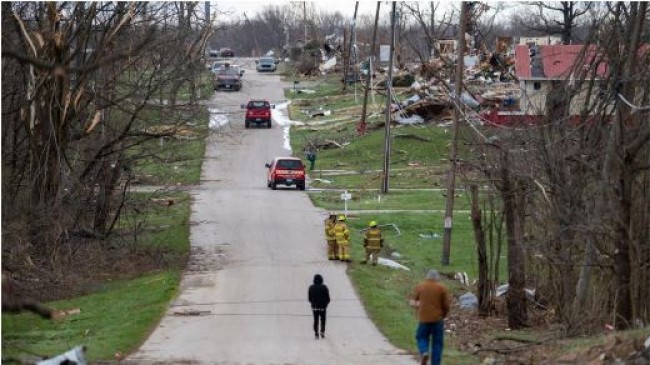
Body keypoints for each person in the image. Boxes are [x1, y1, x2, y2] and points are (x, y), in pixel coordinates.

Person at [410, 269, 451, 365]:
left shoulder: (420, 286)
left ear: (427, 277)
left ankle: (424, 351)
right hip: (437, 319)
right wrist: (443, 315)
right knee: (437, 343)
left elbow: (414, 301)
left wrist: (418, 307)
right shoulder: (442, 288)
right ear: (437, 278)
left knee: (421, 337)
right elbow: (446, 305)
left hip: (424, 319)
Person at [308, 274, 330, 339]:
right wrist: (326, 304)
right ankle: (322, 331)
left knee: (315, 320)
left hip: (315, 307)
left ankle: (316, 333)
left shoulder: (311, 287)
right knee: (323, 319)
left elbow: (309, 298)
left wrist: (313, 303)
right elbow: (328, 298)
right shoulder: (324, 287)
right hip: (323, 307)